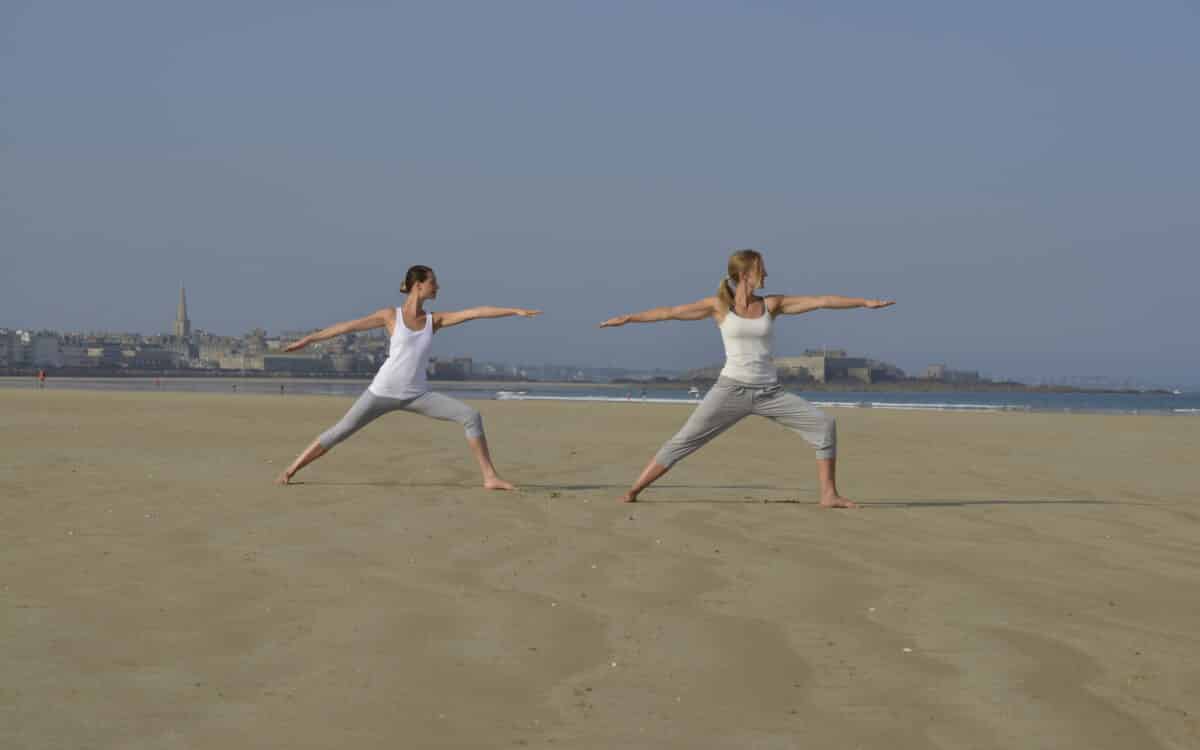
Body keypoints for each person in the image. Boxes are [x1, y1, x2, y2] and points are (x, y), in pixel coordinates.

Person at [600, 249, 894, 507]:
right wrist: (627, 318)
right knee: (684, 440)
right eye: (760, 268)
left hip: (770, 392)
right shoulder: (718, 306)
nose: (766, 273)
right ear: (744, 274)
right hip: (730, 390)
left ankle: (829, 495)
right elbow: (669, 312)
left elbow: (821, 300)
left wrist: (863, 302)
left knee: (824, 425)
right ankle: (634, 490)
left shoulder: (772, 305)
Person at [275, 265, 541, 489]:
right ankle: (291, 469)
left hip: (418, 395)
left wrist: (514, 310)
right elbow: (346, 327)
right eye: (433, 283)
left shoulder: (433, 320)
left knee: (471, 416)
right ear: (418, 286)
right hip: (381, 392)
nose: (437, 287)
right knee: (341, 431)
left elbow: (476, 312)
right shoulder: (391, 316)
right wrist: (308, 339)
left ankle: (489, 477)